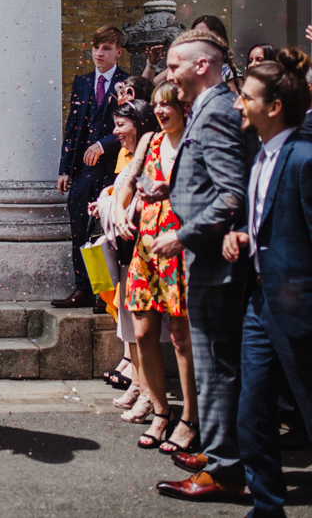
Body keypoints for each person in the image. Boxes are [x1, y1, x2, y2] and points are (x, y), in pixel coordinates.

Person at [146, 29, 248, 501]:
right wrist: (172, 191)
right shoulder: (210, 107)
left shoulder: (218, 111)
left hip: (214, 260)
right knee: (212, 365)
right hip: (204, 255)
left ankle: (226, 470)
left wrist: (181, 235)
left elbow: (232, 194)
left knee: (216, 366)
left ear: (201, 65)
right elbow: (211, 179)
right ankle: (219, 450)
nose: (168, 76)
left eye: (173, 66)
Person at [222, 49, 312, 518]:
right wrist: (243, 235)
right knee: (252, 410)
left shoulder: (303, 159)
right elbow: (266, 221)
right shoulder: (260, 155)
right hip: (258, 300)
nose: (238, 105)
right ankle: (267, 507)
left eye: (247, 98)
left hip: (298, 306)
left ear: (274, 107)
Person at [116, 82, 198, 453]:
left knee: (182, 338)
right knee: (143, 331)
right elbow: (127, 181)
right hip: (146, 248)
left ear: (185, 107)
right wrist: (119, 209)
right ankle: (161, 411)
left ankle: (190, 418)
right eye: (160, 106)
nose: (163, 111)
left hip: (180, 247)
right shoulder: (149, 141)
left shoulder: (196, 141)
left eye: (171, 105)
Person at [54, 26, 130, 309]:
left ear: (118, 53)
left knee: (106, 231)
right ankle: (83, 289)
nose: (99, 53)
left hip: (113, 170)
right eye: (96, 47)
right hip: (83, 172)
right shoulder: (83, 83)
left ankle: (106, 295)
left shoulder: (126, 83)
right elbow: (72, 129)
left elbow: (132, 123)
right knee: (79, 230)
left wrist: (105, 143)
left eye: (107, 48)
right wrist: (64, 169)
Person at [91, 100, 160, 411]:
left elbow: (138, 201)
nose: (116, 131)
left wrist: (110, 203)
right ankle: (136, 385)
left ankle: (149, 394)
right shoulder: (130, 159)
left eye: (122, 125)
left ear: (141, 124)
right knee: (128, 327)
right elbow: (120, 197)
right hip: (124, 253)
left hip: (141, 252)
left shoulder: (146, 161)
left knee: (142, 330)